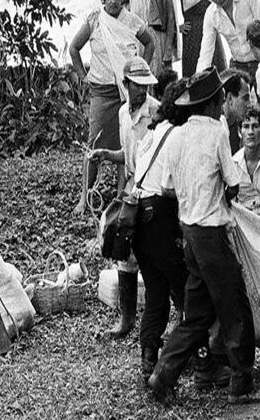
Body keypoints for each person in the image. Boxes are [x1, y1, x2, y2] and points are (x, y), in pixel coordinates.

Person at [148, 67, 260, 406]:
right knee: (235, 308)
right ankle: (241, 384)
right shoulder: (216, 131)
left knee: (198, 315)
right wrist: (217, 194)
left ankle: (163, 373)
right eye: (220, 98)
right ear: (215, 101)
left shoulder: (176, 135)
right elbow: (233, 183)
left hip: (189, 232)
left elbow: (166, 187)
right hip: (211, 233)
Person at [89, 78, 192, 382]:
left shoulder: (153, 133)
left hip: (138, 217)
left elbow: (139, 167)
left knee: (157, 292)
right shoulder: (179, 135)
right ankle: (185, 362)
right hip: (159, 215)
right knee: (186, 291)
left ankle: (149, 358)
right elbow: (170, 186)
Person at [69, 0, 154, 215]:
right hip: (101, 90)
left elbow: (150, 44)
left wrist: (141, 73)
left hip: (127, 90)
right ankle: (84, 197)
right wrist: (82, 76)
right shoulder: (95, 20)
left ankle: (120, 195)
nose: (113, 1)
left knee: (125, 140)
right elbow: (74, 48)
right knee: (94, 142)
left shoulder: (132, 21)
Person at [107, 56, 162, 339]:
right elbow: (127, 156)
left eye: (145, 85)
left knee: (153, 253)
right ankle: (126, 317)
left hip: (151, 188)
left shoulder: (156, 112)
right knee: (124, 250)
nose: (142, 90)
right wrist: (107, 155)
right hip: (131, 187)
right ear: (126, 84)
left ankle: (159, 317)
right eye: (137, 85)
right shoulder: (122, 113)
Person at [232, 108, 260, 220]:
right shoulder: (234, 163)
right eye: (246, 127)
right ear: (240, 132)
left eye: (255, 126)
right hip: (244, 224)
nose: (250, 132)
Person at [221, 69, 251, 154]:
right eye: (245, 98)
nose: (249, 104)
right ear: (230, 98)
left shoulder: (239, 127)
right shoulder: (215, 128)